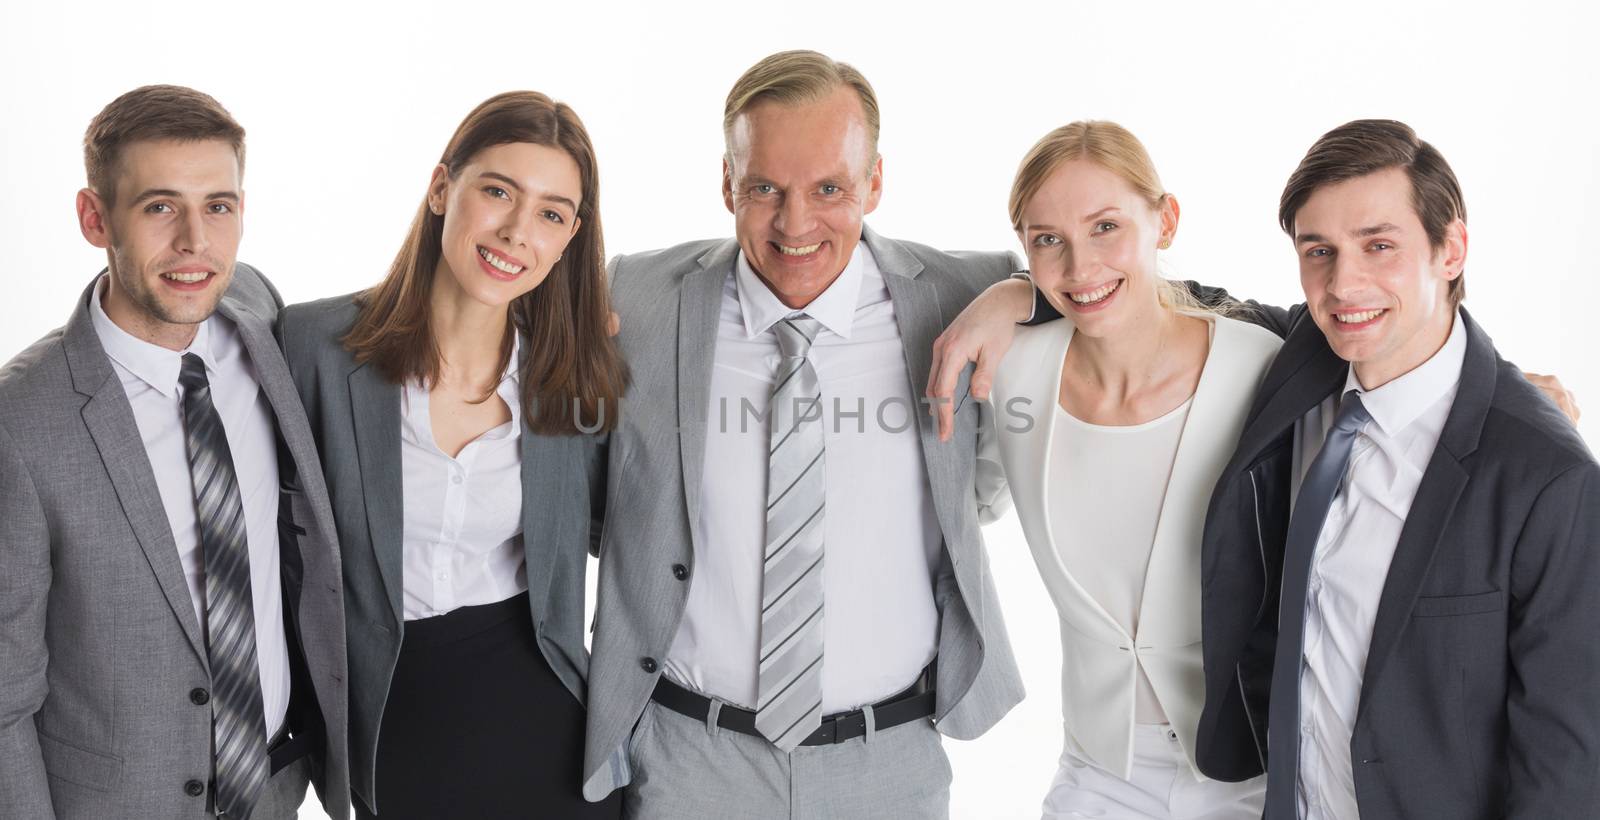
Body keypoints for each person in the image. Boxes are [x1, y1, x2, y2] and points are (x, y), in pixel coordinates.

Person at [580, 50, 1024, 819]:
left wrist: (1024, 297)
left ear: (875, 183)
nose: (795, 223)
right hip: (689, 760)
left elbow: (1115, 295)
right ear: (727, 183)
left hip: (889, 761)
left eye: (829, 189)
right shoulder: (635, 298)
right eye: (764, 190)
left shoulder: (966, 293)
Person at [1190, 119, 1600, 820]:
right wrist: (1022, 294)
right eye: (1319, 251)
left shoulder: (1546, 477)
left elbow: (1568, 761)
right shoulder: (1300, 362)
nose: (1344, 284)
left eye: (1379, 246)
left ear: (1451, 249)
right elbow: (1146, 301)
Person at [0, 85, 349, 819]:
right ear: (95, 219)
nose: (195, 242)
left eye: (218, 206)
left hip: (275, 787)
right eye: (160, 207)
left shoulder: (258, 312)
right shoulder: (21, 421)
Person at [276, 92, 627, 819]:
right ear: (442, 188)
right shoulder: (311, 348)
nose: (516, 232)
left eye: (551, 214)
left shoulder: (570, 381)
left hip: (548, 725)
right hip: (390, 726)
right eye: (497, 191)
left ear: (568, 238)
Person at [967, 120, 1276, 819]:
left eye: (1106, 226)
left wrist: (1503, 389)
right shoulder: (1012, 375)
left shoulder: (1258, 368)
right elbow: (965, 504)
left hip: (1248, 766)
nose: (1080, 268)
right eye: (1049, 240)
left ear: (1164, 220)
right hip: (1099, 768)